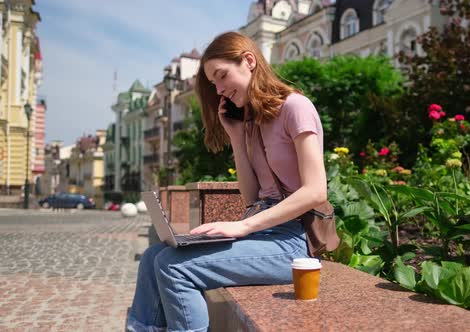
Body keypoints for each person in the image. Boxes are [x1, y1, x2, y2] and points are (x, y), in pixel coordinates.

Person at [126, 31, 328, 332]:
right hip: (263, 231)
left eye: (221, 76)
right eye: (214, 84)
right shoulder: (252, 122)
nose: (219, 89)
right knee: (153, 257)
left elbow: (315, 191)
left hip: (294, 240)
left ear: (248, 61)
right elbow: (251, 199)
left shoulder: (296, 108)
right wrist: (236, 136)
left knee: (173, 267)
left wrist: (242, 226)